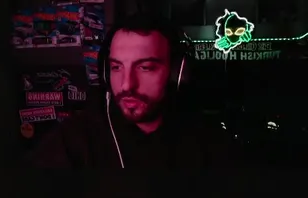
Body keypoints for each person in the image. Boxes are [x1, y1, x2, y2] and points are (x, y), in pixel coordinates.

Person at [28, 12, 239, 168]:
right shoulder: (71, 141)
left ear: (177, 74)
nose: (127, 85)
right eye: (116, 67)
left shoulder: (211, 144)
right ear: (105, 73)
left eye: (145, 68)